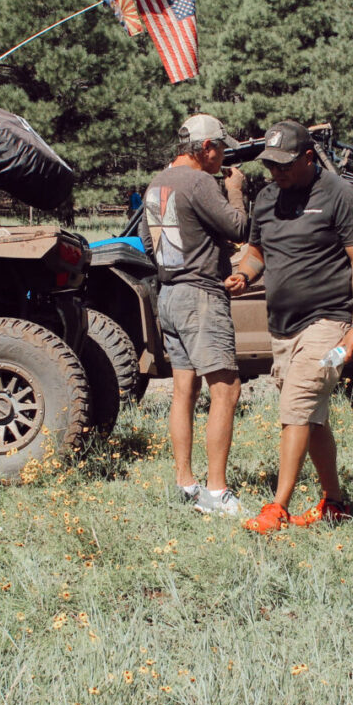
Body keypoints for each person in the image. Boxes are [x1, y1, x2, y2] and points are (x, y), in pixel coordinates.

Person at [230, 121, 353, 534]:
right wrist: (245, 274)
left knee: (295, 407)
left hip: (330, 326)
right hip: (283, 328)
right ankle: (335, 503)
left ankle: (277, 508)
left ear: (309, 157)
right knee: (312, 418)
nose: (276, 173)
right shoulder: (269, 197)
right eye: (270, 166)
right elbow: (257, 251)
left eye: (285, 165)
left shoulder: (339, 195)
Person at [140, 114, 249, 516]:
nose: (224, 157)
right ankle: (217, 493)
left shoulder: (157, 182)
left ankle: (185, 483)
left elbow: (148, 242)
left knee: (184, 389)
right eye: (221, 148)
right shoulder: (202, 182)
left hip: (168, 294)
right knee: (227, 389)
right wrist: (235, 190)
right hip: (201, 296)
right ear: (205, 148)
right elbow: (239, 227)